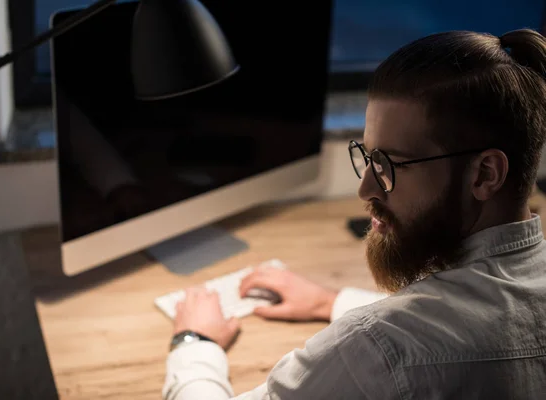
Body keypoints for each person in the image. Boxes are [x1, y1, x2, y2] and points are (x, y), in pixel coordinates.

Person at [162, 28, 546, 399]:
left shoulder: (380, 347)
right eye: (369, 157)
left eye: (391, 164)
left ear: (485, 174)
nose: (366, 188)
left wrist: (195, 343)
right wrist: (330, 302)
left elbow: (406, 349)